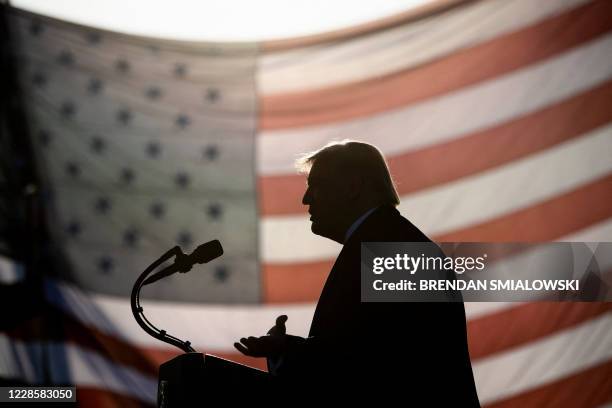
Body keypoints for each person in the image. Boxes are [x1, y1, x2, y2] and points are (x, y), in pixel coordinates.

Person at [235, 140, 480, 404]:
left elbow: (376, 360)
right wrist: (285, 352)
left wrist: (286, 349)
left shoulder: (393, 248)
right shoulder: (385, 242)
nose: (305, 199)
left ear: (353, 186)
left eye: (316, 186)